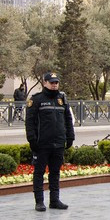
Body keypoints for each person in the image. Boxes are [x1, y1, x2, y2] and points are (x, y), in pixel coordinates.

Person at [25, 72, 75, 212]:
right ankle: (39, 202)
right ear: (44, 83)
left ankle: (54, 200)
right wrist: (32, 139)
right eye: (51, 82)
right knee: (39, 172)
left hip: (58, 142)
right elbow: (30, 122)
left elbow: (68, 119)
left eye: (56, 82)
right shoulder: (36, 100)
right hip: (42, 143)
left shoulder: (62, 99)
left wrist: (70, 136)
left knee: (55, 172)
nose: (54, 85)